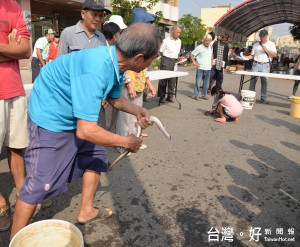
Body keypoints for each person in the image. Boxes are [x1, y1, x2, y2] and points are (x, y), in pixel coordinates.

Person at [10, 22, 162, 239]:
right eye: (152, 58)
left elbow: (113, 97)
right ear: (138, 58)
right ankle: (15, 239)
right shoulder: (96, 68)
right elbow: (86, 131)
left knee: (96, 157)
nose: (152, 61)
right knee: (38, 184)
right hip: (51, 117)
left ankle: (86, 210)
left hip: (76, 114)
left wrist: (137, 110)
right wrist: (125, 142)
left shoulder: (116, 63)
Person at [0, 0, 31, 232]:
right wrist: (8, 49)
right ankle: (0, 201)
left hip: (15, 88)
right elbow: (15, 51)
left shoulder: (13, 7)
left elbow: (25, 50)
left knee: (17, 146)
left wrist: (16, 49)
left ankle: (23, 193)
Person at [243, 29, 277, 104]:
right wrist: (245, 57)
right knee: (253, 81)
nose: (262, 37)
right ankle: (251, 96)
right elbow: (252, 55)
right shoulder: (256, 45)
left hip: (266, 65)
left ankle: (263, 98)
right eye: (260, 36)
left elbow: (274, 55)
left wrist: (266, 50)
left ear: (267, 36)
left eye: (263, 36)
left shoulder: (271, 44)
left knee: (264, 81)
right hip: (256, 64)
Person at [157, 25, 182, 103]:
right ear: (172, 31)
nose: (178, 34)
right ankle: (161, 96)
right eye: (177, 32)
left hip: (174, 62)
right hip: (166, 60)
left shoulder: (179, 41)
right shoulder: (166, 40)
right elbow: (161, 50)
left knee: (172, 80)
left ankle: (170, 96)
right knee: (163, 79)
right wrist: (165, 58)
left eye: (179, 33)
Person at [190, 34, 213, 101]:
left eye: (209, 41)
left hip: (208, 68)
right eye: (206, 41)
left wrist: (211, 62)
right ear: (203, 41)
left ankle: (204, 95)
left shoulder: (210, 47)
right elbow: (191, 54)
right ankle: (196, 95)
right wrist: (194, 63)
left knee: (206, 83)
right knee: (198, 82)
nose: (208, 42)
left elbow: (211, 55)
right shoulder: (199, 47)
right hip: (200, 68)